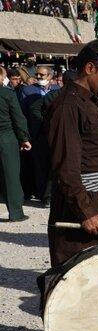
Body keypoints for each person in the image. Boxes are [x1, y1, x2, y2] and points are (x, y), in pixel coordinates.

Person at [46, 40, 98, 267]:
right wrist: (87, 212)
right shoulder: (67, 106)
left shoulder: (91, 102)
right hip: (83, 205)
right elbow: (66, 166)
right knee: (81, 273)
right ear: (90, 68)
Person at [21, 66, 60, 205]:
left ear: (50, 76)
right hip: (37, 133)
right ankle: (43, 195)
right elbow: (23, 113)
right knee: (40, 165)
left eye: (42, 75)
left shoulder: (58, 90)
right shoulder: (28, 90)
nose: (38, 77)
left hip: (55, 133)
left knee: (54, 165)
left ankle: (51, 194)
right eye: (37, 75)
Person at [0, 82, 31, 221]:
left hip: (5, 135)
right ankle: (16, 213)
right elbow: (18, 117)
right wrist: (24, 138)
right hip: (5, 137)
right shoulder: (7, 94)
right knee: (11, 176)